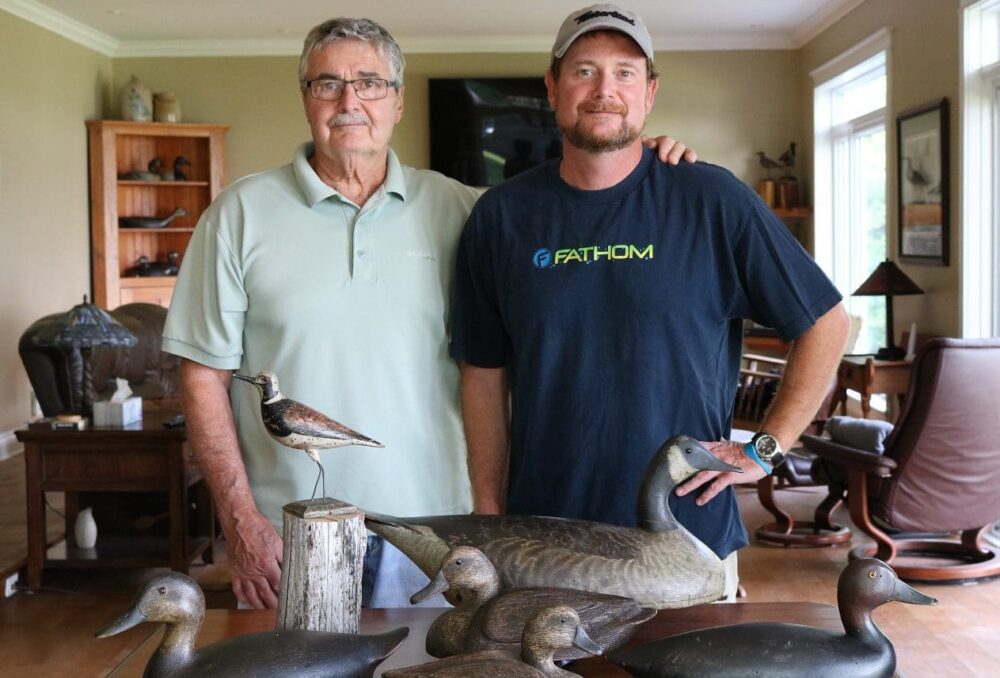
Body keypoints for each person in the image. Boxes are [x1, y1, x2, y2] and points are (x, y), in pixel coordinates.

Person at [162, 16, 696, 609]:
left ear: (397, 100)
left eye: (370, 83)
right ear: (306, 98)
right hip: (291, 537)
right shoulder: (238, 214)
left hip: (443, 539)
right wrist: (239, 520)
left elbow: (575, 214)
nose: (349, 101)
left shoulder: (468, 210)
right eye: (327, 84)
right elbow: (202, 374)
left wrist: (636, 156)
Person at [450, 3, 850, 601]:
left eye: (625, 72)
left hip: (686, 535)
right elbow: (483, 373)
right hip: (548, 538)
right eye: (584, 71)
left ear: (649, 92)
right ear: (553, 89)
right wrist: (489, 511)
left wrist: (764, 450)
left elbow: (826, 321)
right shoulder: (501, 217)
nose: (604, 90)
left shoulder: (711, 199)